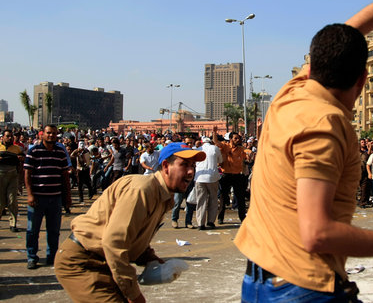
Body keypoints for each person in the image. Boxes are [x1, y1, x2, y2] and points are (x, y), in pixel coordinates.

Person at [233, 0, 373, 302]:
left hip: (258, 281)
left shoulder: (291, 93)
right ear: (363, 80)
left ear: (317, 65)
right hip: (302, 288)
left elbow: (343, 38)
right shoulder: (325, 124)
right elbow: (317, 234)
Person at [54, 142, 205, 302]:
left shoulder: (163, 197)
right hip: (83, 262)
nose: (191, 172)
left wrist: (151, 259)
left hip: (103, 262)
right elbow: (114, 243)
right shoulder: (142, 190)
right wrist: (134, 295)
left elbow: (134, 236)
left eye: (193, 166)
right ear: (166, 166)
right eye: (184, 165)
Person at [24, 125, 71, 269]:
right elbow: (27, 174)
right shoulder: (34, 151)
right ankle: (32, 257)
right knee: (33, 230)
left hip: (55, 197)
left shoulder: (60, 153)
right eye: (48, 133)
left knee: (54, 230)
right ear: (42, 134)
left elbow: (64, 177)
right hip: (37, 198)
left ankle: (52, 256)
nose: (51, 136)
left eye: (54, 133)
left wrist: (67, 197)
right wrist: (30, 194)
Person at [213, 127, 250, 224]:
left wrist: (250, 154)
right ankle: (220, 218)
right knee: (223, 197)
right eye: (235, 138)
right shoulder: (225, 146)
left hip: (237, 176)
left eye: (239, 138)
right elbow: (216, 142)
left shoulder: (241, 149)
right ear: (230, 139)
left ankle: (243, 218)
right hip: (226, 175)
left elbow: (247, 152)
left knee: (240, 197)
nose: (238, 140)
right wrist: (214, 132)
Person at [193, 136, 223, 230]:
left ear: (202, 142)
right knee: (213, 199)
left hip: (200, 177)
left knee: (201, 200)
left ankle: (200, 223)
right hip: (212, 177)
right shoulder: (215, 148)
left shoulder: (198, 150)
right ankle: (210, 221)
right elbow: (220, 160)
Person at [0, 130, 24, 232]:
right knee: (0, 202)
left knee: (12, 200)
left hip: (12, 175)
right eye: (7, 136)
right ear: (3, 137)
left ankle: (13, 224)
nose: (9, 138)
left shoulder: (17, 149)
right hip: (1, 174)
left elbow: (23, 159)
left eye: (11, 137)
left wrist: (20, 158)